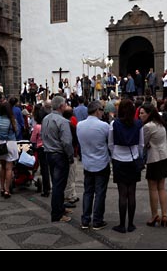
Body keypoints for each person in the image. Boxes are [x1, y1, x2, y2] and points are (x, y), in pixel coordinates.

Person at [107, 98, 143, 233]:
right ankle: (131, 224)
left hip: (119, 159)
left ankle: (122, 224)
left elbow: (110, 144)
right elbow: (141, 144)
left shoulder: (114, 124)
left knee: (122, 193)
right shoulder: (138, 124)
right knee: (132, 192)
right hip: (133, 159)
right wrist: (138, 156)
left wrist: (114, 154)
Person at [76, 100, 110, 231]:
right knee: (100, 193)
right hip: (101, 161)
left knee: (88, 192)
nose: (102, 113)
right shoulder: (104, 126)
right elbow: (109, 142)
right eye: (101, 110)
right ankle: (97, 220)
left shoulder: (80, 125)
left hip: (87, 163)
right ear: (97, 111)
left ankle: (85, 219)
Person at [41, 95, 74, 223]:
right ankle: (57, 214)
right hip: (59, 154)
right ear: (61, 106)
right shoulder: (63, 121)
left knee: (57, 183)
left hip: (49, 153)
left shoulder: (46, 119)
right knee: (59, 185)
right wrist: (70, 156)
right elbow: (67, 142)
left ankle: (60, 207)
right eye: (65, 104)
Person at [140, 103, 167, 227]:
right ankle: (164, 214)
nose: (140, 115)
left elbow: (143, 142)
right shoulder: (160, 124)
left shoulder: (148, 126)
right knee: (162, 187)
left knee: (153, 188)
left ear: (149, 114)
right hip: (164, 155)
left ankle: (155, 215)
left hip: (154, 158)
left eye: (143, 113)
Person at [0, 102, 19, 198]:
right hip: (11, 143)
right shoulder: (13, 120)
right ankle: (7, 190)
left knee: (3, 167)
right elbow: (17, 131)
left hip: (1, 143)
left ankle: (1, 187)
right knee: (9, 168)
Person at [30, 103, 51, 197]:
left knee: (44, 169)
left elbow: (33, 139)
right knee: (51, 169)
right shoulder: (49, 125)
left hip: (41, 149)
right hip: (50, 147)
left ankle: (46, 189)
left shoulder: (37, 127)